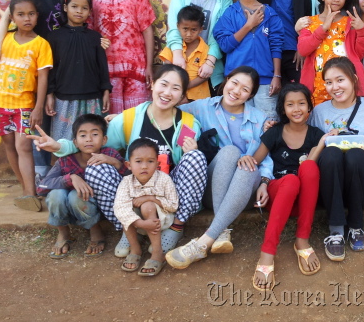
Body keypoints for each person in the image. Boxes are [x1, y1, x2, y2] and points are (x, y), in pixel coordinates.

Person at [31, 65, 206, 257]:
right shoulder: (130, 118)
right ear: (153, 84)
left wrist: (191, 152)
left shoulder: (187, 124)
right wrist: (58, 146)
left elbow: (188, 168)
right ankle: (129, 227)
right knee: (96, 168)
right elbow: (92, 143)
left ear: (182, 95)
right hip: (134, 189)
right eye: (163, 84)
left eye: (175, 88)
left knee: (196, 157)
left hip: (168, 189)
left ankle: (175, 227)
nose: (167, 92)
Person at [0, 0, 82, 177]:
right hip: (27, 67)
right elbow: (8, 17)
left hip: (58, 66)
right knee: (31, 120)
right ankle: (35, 178)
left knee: (53, 117)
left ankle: (54, 174)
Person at [166, 66, 273, 269]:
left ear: (250, 95)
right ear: (226, 80)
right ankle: (220, 230)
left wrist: (265, 182)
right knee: (230, 152)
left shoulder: (260, 119)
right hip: (212, 189)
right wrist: (124, 115)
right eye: (234, 83)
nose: (236, 91)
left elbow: (266, 158)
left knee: (247, 165)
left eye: (245, 89)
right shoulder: (203, 107)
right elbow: (167, 108)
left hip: (244, 191)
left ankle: (203, 242)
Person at [247, 83, 333, 290]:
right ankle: (267, 253)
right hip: (278, 198)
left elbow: (310, 164)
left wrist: (321, 144)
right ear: (283, 109)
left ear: (309, 107)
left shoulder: (315, 134)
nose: (297, 109)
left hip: (304, 203)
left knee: (310, 167)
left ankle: (302, 240)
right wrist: (246, 162)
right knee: (291, 181)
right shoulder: (275, 132)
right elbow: (255, 161)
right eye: (290, 104)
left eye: (302, 103)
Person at [308, 57, 364, 261]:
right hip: (330, 184)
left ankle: (356, 226)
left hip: (361, 184)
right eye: (328, 82)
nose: (334, 87)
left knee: (355, 154)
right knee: (332, 152)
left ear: (354, 79)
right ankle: (336, 230)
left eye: (340, 80)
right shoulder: (319, 112)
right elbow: (312, 149)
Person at [0, 0, 52, 211]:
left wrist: (38, 107)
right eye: (21, 14)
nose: (26, 18)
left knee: (23, 146)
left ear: (37, 16)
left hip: (23, 104)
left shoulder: (41, 44)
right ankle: (25, 190)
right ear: (12, 18)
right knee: (8, 145)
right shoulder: (4, 40)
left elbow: (43, 79)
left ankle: (30, 192)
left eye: (31, 14)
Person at [37, 114, 124, 259]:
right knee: (56, 195)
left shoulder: (109, 154)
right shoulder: (66, 160)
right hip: (66, 208)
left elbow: (128, 177)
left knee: (75, 196)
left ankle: (95, 229)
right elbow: (42, 186)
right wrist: (70, 178)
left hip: (97, 208)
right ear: (75, 142)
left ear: (104, 139)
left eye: (95, 134)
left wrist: (115, 162)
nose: (89, 139)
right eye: (83, 135)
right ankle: (63, 233)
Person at [213, 0, 283, 120]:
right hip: (236, 83)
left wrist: (276, 75)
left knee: (268, 125)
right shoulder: (230, 13)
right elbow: (225, 45)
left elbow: (276, 46)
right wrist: (248, 26)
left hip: (265, 82)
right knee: (237, 126)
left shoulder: (270, 13)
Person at [90, 0, 156, 114]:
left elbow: (147, 31)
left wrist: (149, 66)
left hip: (136, 70)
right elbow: (88, 35)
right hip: (106, 74)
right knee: (112, 122)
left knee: (137, 118)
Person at [46, 0, 111, 141]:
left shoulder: (95, 37)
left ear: (89, 11)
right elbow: (51, 69)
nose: (79, 11)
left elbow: (102, 66)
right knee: (62, 142)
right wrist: (49, 95)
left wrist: (106, 91)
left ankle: (90, 165)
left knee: (91, 140)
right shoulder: (54, 37)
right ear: (65, 8)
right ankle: (63, 166)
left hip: (92, 97)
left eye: (84, 8)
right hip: (64, 98)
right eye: (74, 6)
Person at [297, 0, 364, 105]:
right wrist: (323, 28)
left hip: (345, 89)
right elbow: (303, 50)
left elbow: (358, 53)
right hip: (317, 88)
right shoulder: (309, 22)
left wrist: (362, 31)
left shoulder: (350, 22)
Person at [167, 0, 232, 90]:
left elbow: (220, 34)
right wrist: (177, 55)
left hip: (208, 68)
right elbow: (173, 25)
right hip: (180, 62)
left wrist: (210, 62)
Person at [114, 138, 179, 276]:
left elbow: (173, 206)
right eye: (138, 161)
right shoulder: (126, 183)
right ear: (129, 164)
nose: (144, 166)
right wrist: (142, 223)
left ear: (157, 163)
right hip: (140, 224)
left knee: (148, 206)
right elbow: (120, 208)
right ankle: (135, 249)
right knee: (124, 211)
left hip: (161, 222)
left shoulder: (164, 179)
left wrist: (151, 198)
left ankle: (157, 253)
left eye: (150, 161)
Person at [159, 5, 210, 101]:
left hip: (198, 98)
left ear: (201, 29)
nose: (189, 34)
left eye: (194, 30)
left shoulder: (205, 49)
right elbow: (167, 67)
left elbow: (204, 76)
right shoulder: (173, 47)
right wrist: (178, 88)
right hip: (174, 96)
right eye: (185, 29)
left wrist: (185, 87)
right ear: (178, 26)